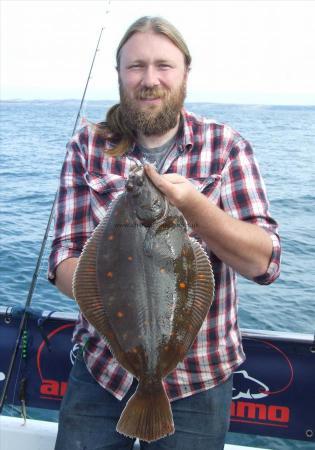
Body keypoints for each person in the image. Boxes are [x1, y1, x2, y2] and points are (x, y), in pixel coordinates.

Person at [48, 16, 281, 450]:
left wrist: (194, 207)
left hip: (201, 378)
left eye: (163, 66)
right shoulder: (88, 146)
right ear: (119, 75)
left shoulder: (227, 146)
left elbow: (265, 264)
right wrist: (114, 293)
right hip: (101, 370)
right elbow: (63, 254)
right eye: (135, 66)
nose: (149, 79)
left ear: (185, 73)